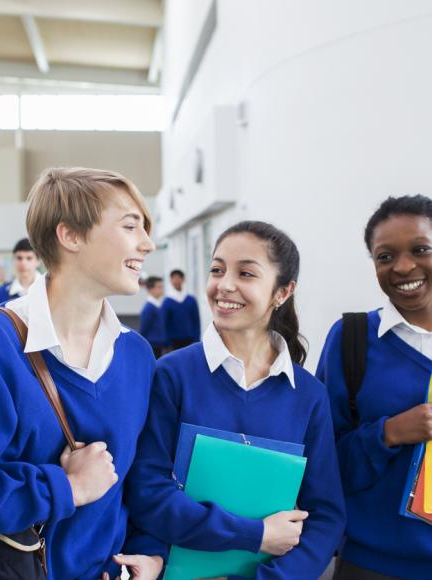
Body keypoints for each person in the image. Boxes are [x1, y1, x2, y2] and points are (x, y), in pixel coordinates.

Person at [0, 167, 165, 580]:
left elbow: (140, 479)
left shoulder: (136, 355)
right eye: (131, 226)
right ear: (71, 236)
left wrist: (150, 555)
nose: (148, 244)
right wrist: (66, 487)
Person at [127, 221, 346, 579]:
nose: (224, 284)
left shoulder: (307, 394)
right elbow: (147, 493)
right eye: (217, 269)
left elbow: (326, 515)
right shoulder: (171, 375)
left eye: (246, 273)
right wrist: (254, 535)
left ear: (283, 292)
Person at [316, 195, 432, 580]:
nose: (403, 267)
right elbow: (322, 462)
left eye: (420, 250)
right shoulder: (352, 340)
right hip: (376, 565)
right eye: (385, 257)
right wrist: (391, 432)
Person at [0, 238, 42, 304]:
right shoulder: (2, 292)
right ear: (13, 260)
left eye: (29, 258)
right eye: (19, 258)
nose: (23, 263)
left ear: (38, 261)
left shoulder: (49, 289)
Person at [161, 269, 201, 350]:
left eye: (178, 278)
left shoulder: (190, 299)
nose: (176, 281)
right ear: (170, 281)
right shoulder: (167, 301)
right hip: (173, 341)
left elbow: (196, 320)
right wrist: (166, 342)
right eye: (174, 278)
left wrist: (196, 339)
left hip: (190, 339)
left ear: (183, 279)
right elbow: (164, 323)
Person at [139, 276, 167, 358]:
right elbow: (143, 329)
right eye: (159, 287)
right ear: (150, 289)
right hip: (152, 346)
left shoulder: (158, 305)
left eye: (162, 287)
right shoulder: (149, 308)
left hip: (159, 345)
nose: (161, 290)